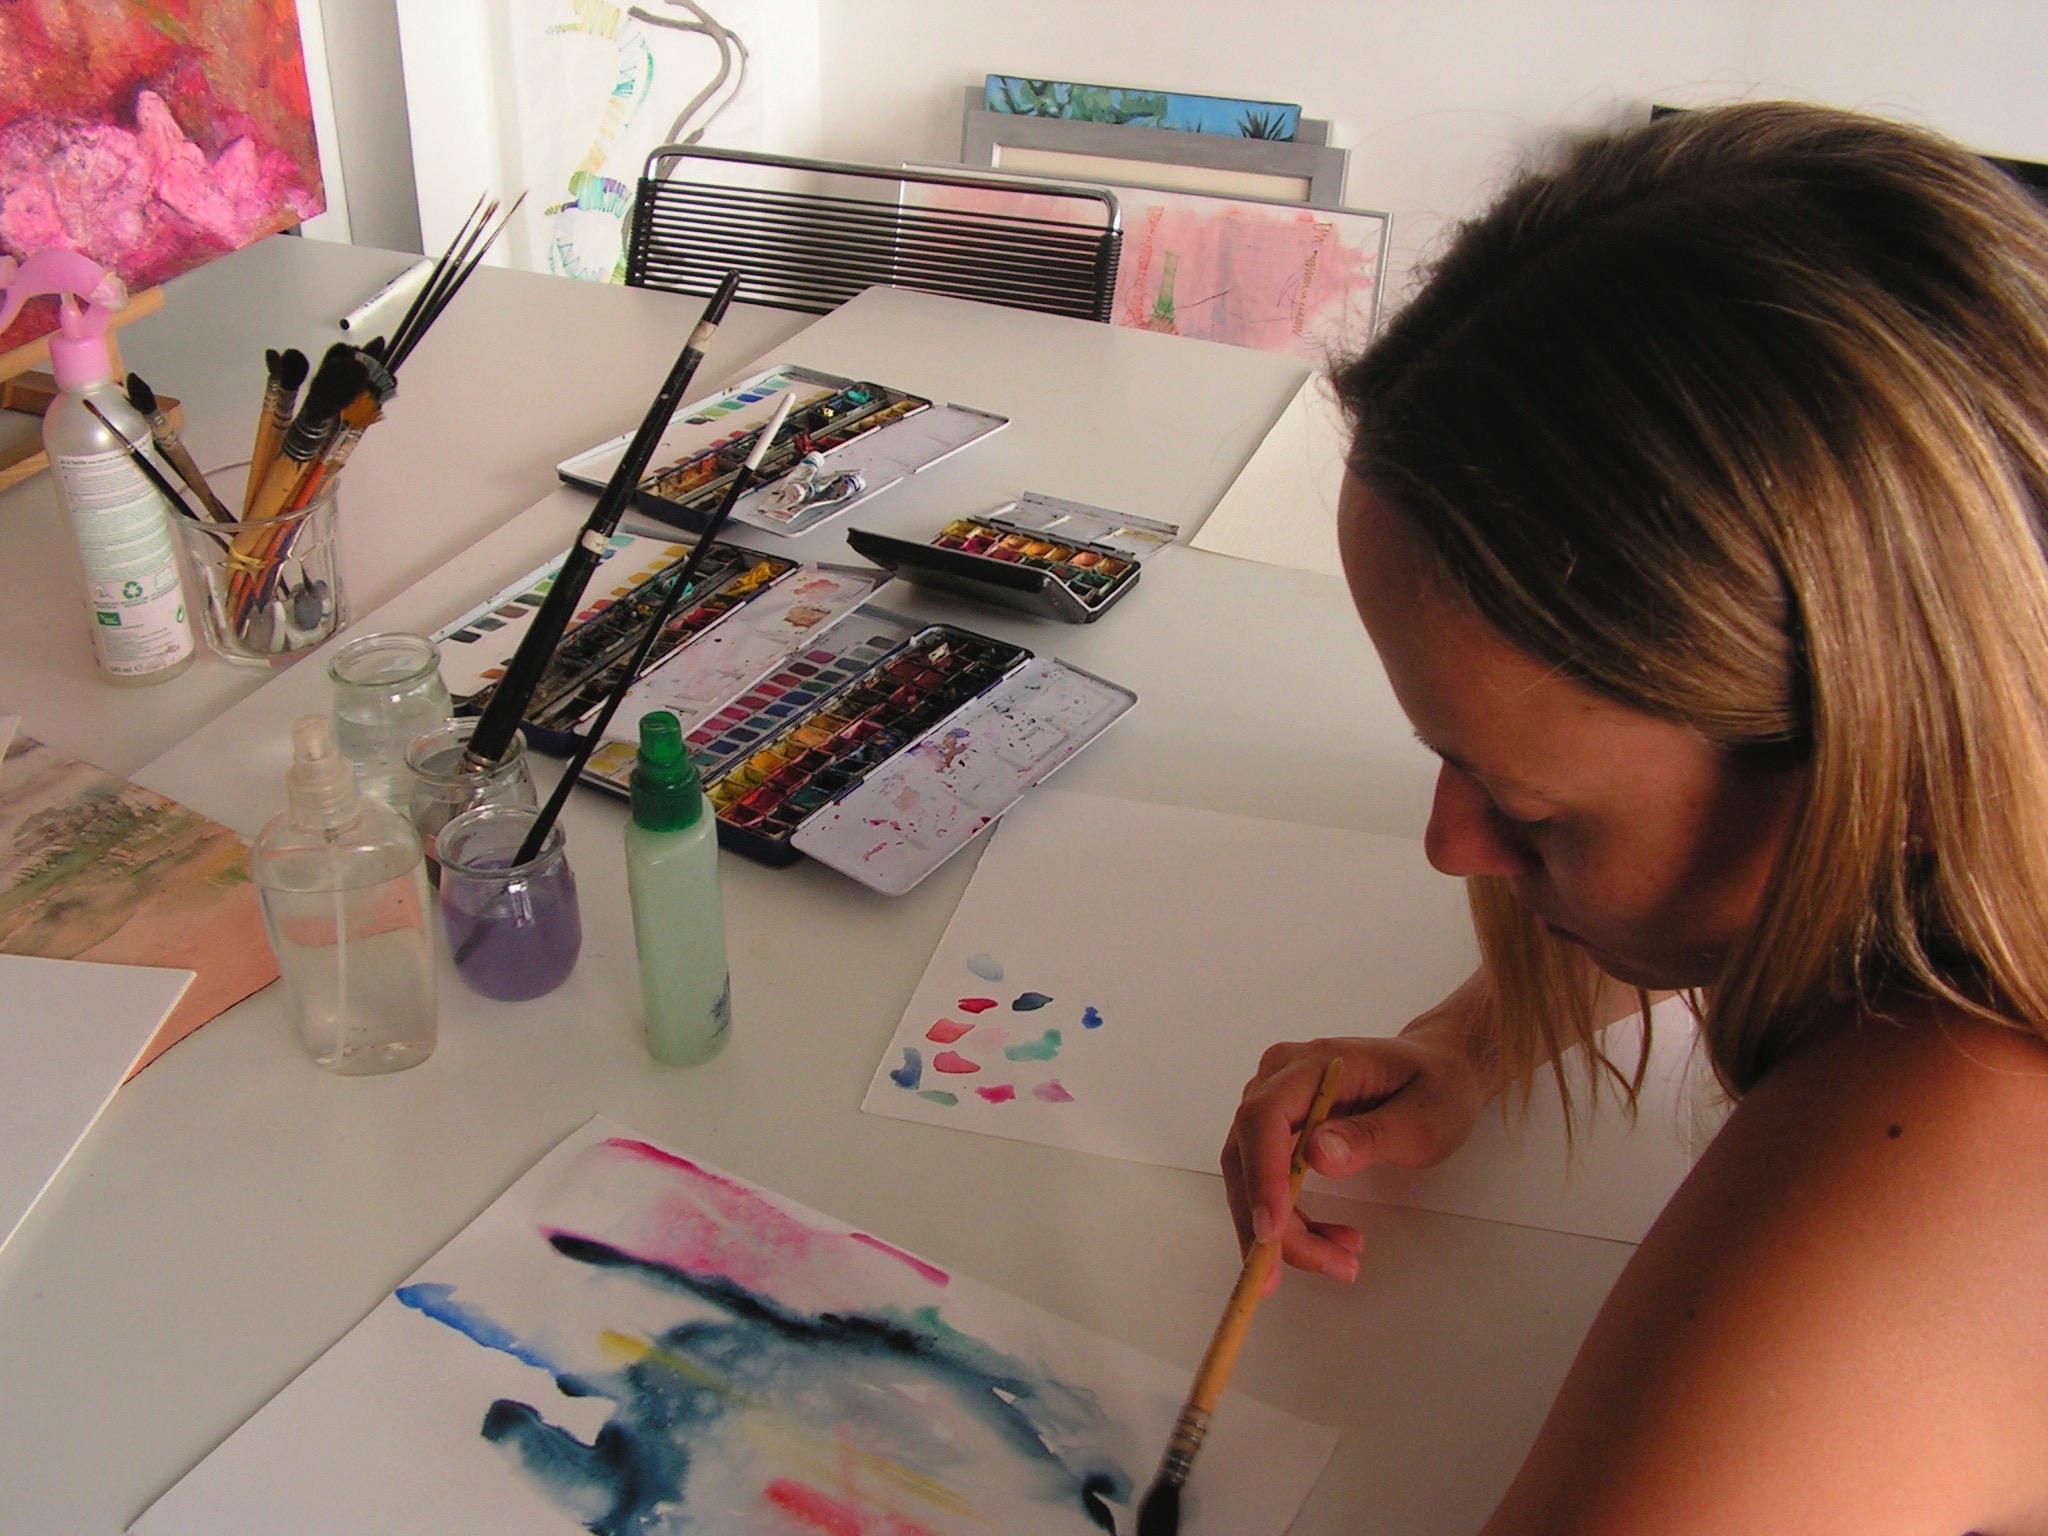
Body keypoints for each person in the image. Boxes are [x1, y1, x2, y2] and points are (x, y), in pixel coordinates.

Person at [1223, 101, 2048, 1533]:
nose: (1450, 846)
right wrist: (1468, 1042)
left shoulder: (1954, 1137)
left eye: (1534, 815)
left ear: (1886, 780)